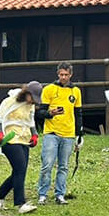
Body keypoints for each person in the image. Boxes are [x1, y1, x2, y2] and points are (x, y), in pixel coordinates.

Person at [0, 81, 42, 214]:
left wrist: (35, 135)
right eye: (32, 98)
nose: (33, 102)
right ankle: (20, 203)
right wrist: (0, 133)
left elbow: (31, 121)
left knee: (19, 172)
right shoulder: (10, 101)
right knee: (20, 169)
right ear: (26, 93)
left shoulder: (30, 106)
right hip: (10, 138)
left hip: (24, 139)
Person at [38, 63, 83, 205]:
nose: (63, 77)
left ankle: (60, 194)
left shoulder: (76, 91)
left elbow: (78, 113)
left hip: (68, 133)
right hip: (51, 132)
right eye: (61, 74)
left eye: (66, 75)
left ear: (71, 75)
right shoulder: (49, 89)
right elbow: (39, 112)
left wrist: (79, 135)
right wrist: (50, 113)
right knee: (47, 164)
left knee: (63, 166)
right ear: (58, 74)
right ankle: (42, 194)